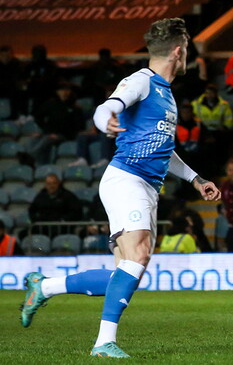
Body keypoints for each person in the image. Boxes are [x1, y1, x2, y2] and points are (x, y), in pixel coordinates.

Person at [19, 18, 221, 358]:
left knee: (125, 272)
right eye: (187, 49)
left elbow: (163, 149)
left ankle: (45, 286)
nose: (188, 55)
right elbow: (107, 106)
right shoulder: (142, 80)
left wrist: (195, 179)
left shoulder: (166, 95)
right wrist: (105, 121)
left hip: (144, 185)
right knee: (139, 255)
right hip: (127, 179)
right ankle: (103, 343)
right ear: (178, 50)